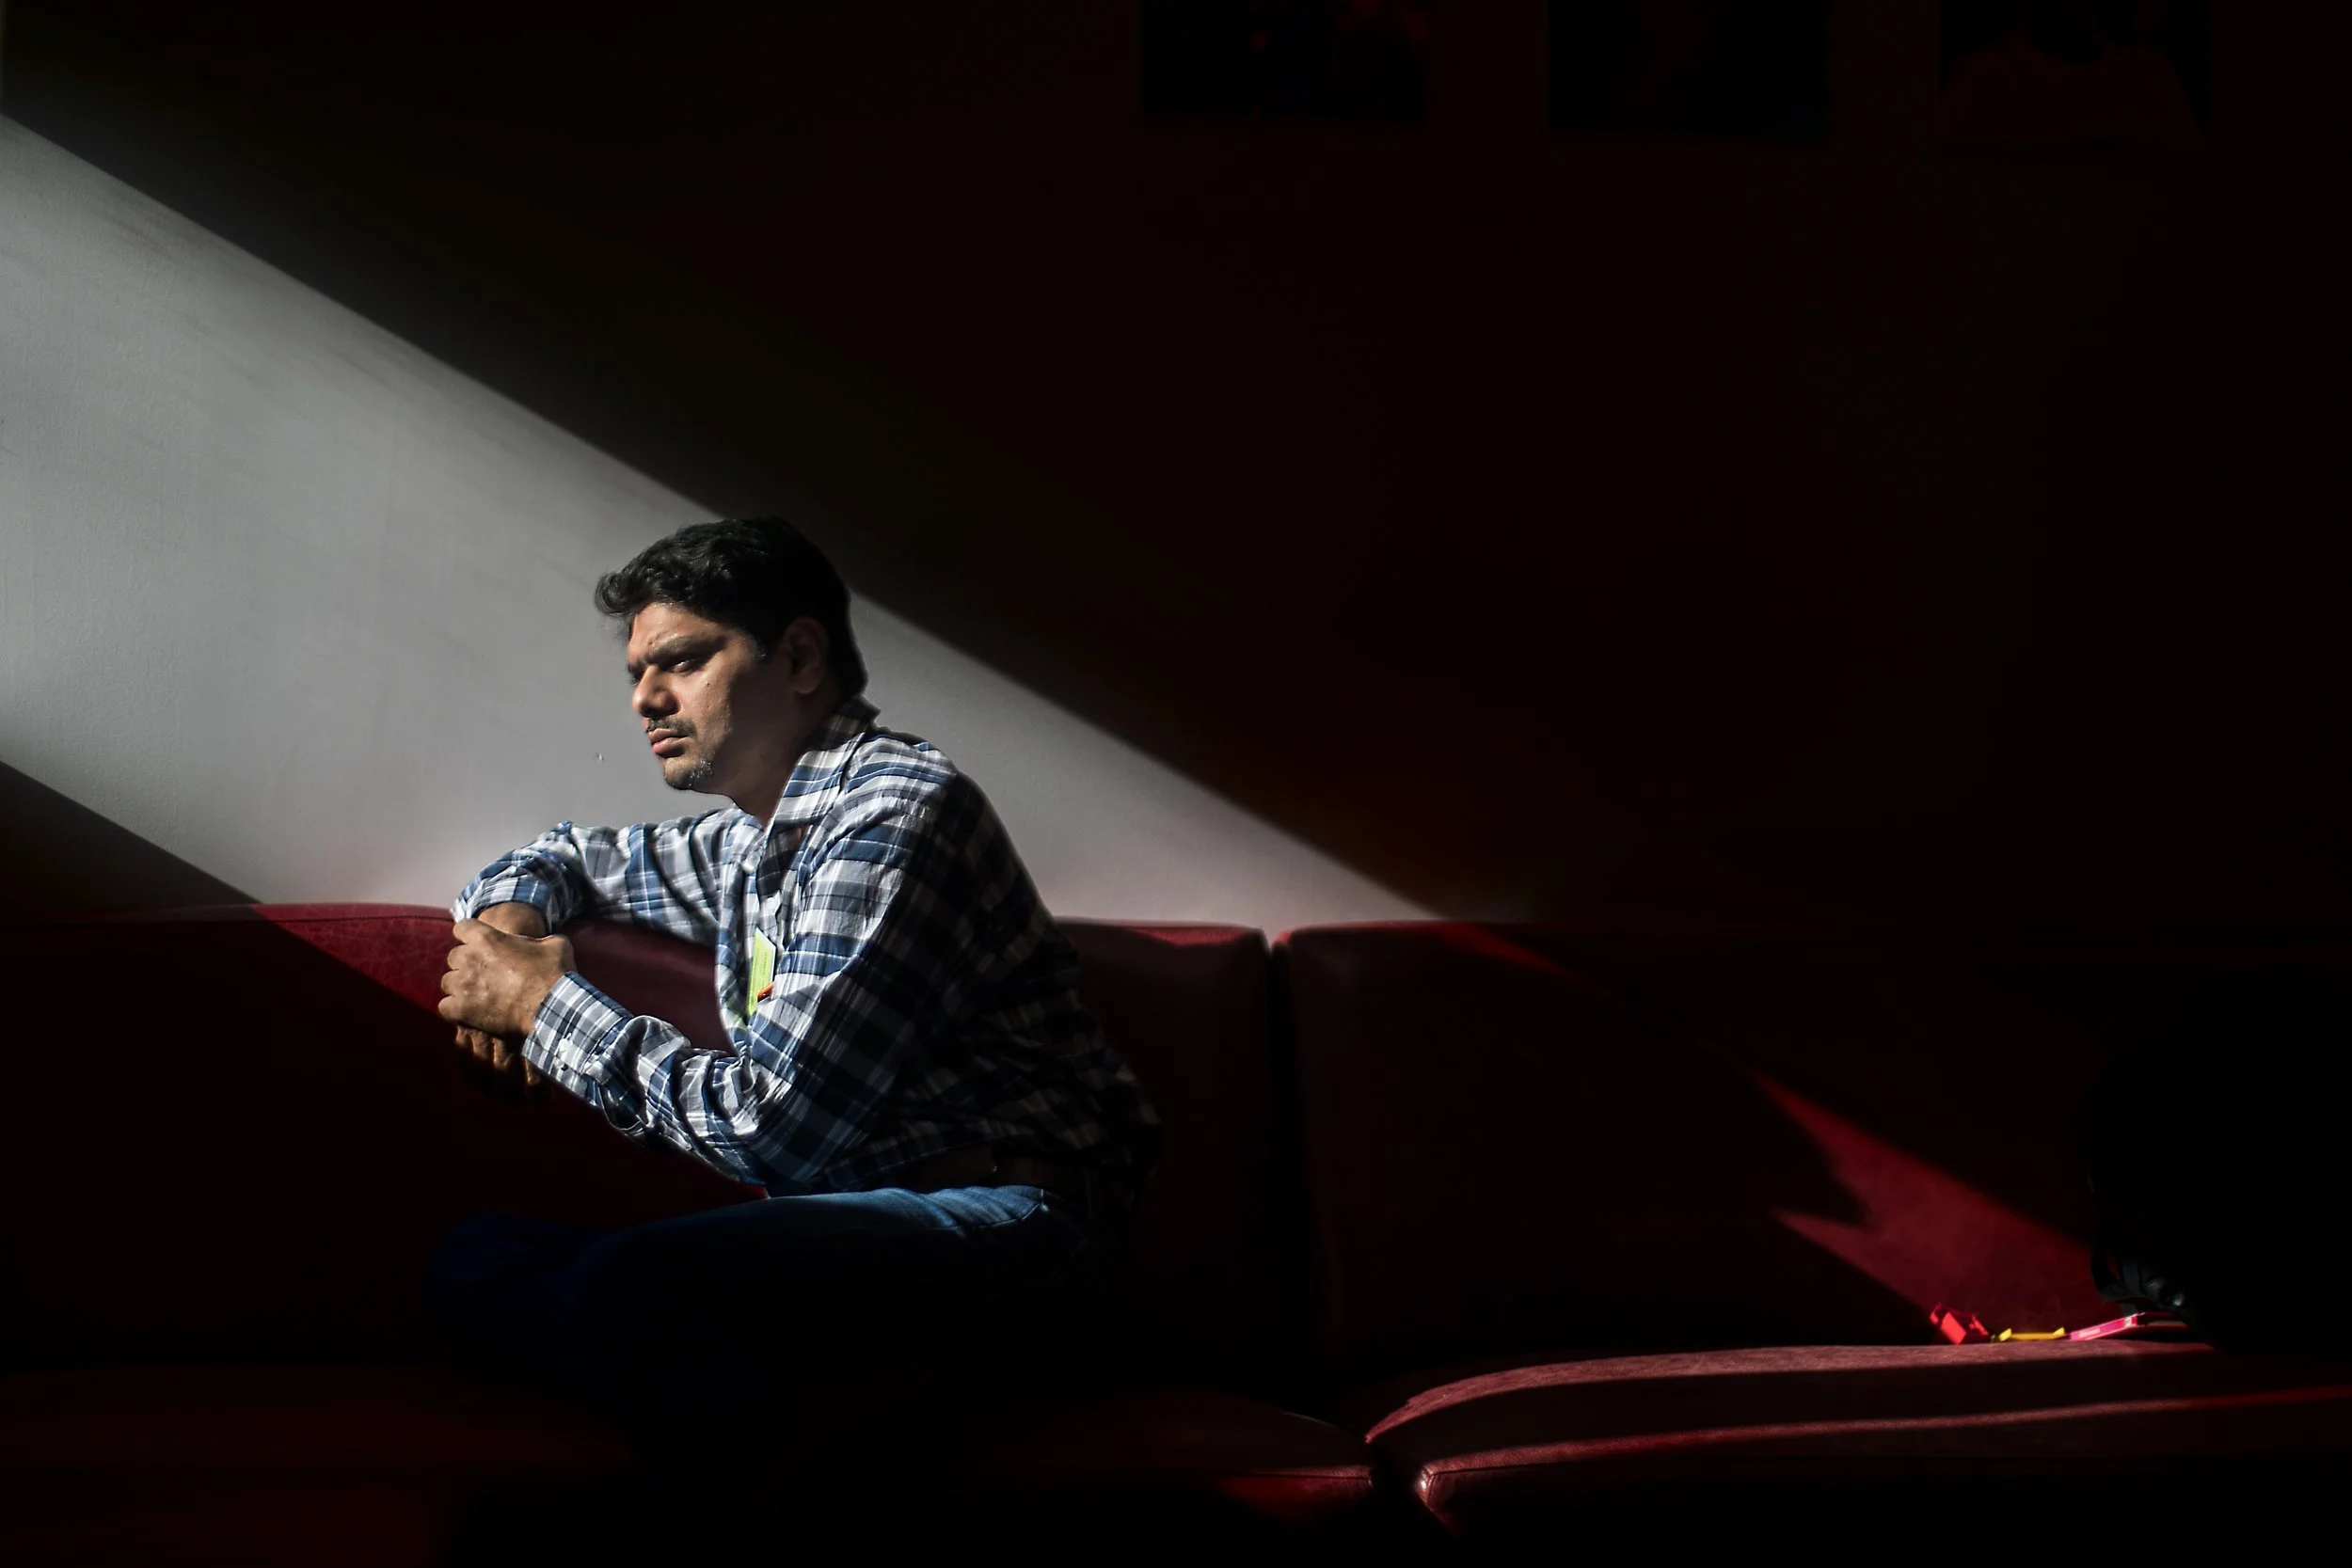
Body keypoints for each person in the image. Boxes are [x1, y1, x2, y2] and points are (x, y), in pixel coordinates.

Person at [426, 516, 1161, 1481]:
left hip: (1010, 1224)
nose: (646, 696)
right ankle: (824, 1406)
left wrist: (541, 1007)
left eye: (682, 660)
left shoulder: (893, 812)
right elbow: (563, 854)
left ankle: (785, 1422)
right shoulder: (747, 841)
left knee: (643, 1281)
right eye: (637, 672)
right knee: (477, 1255)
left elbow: (776, 1130)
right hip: (840, 1244)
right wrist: (515, 924)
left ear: (801, 655)